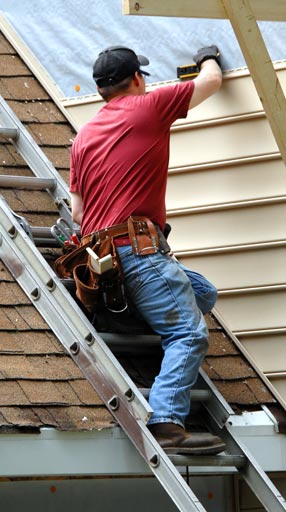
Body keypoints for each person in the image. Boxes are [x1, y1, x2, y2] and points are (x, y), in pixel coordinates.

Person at [70, 45, 225, 455]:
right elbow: (211, 82)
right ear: (137, 78)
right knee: (189, 332)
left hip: (105, 263)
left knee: (203, 293)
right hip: (139, 253)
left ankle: (134, 312)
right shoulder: (150, 105)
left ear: (101, 90)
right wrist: (209, 55)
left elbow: (77, 209)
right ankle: (167, 422)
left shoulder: (83, 136)